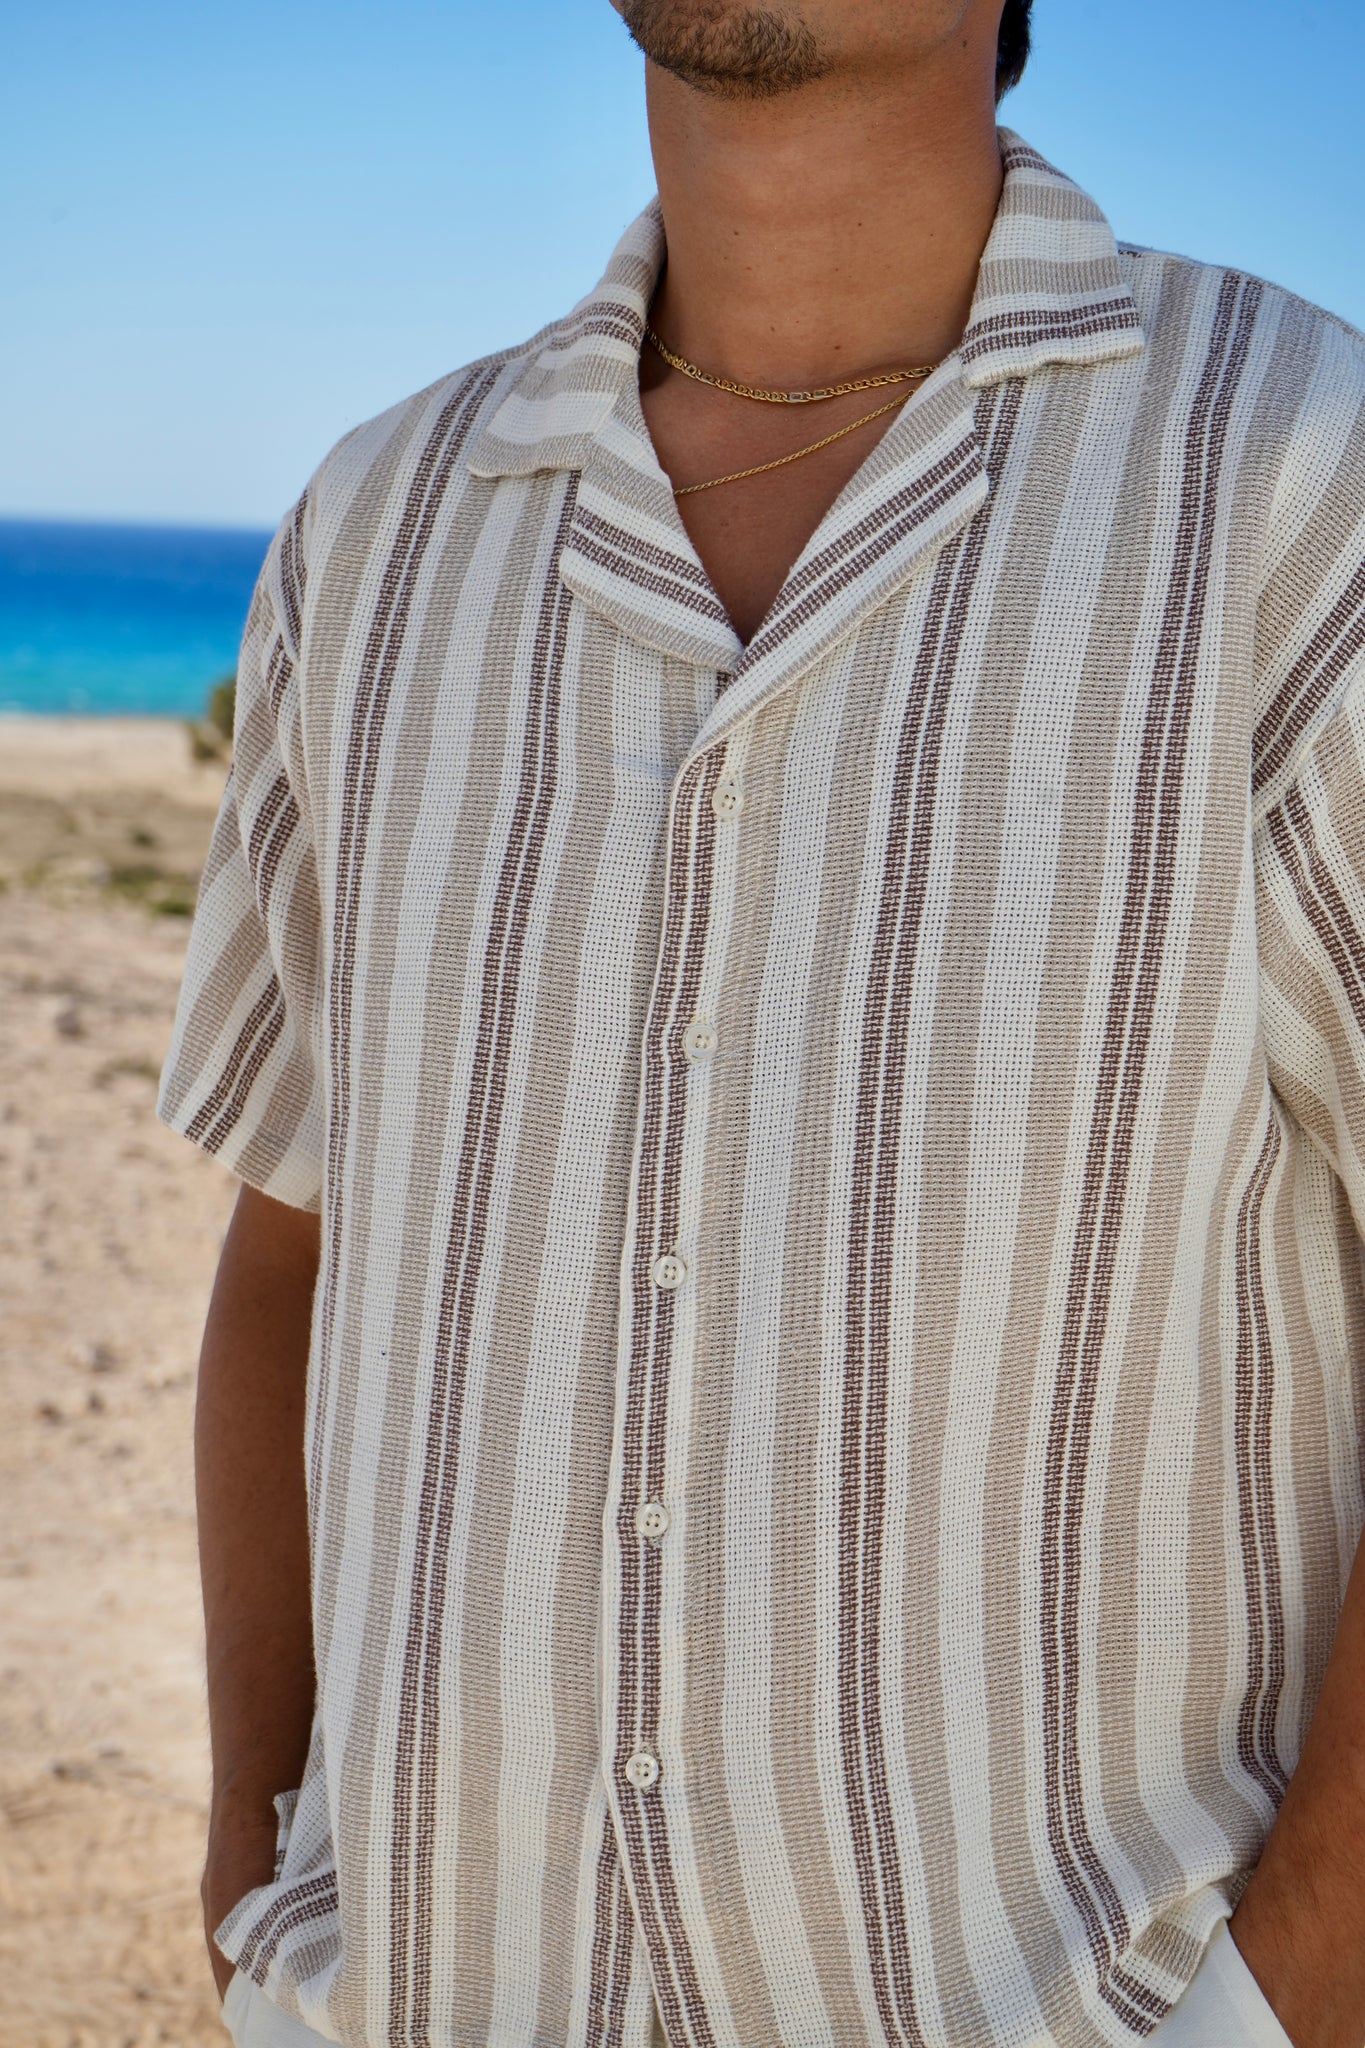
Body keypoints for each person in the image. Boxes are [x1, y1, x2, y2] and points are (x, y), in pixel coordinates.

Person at [155, 2, 1365, 2043]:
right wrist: (258, 1883)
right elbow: (294, 1240)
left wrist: (1302, 1980)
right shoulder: (373, 533)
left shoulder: (1289, 480)